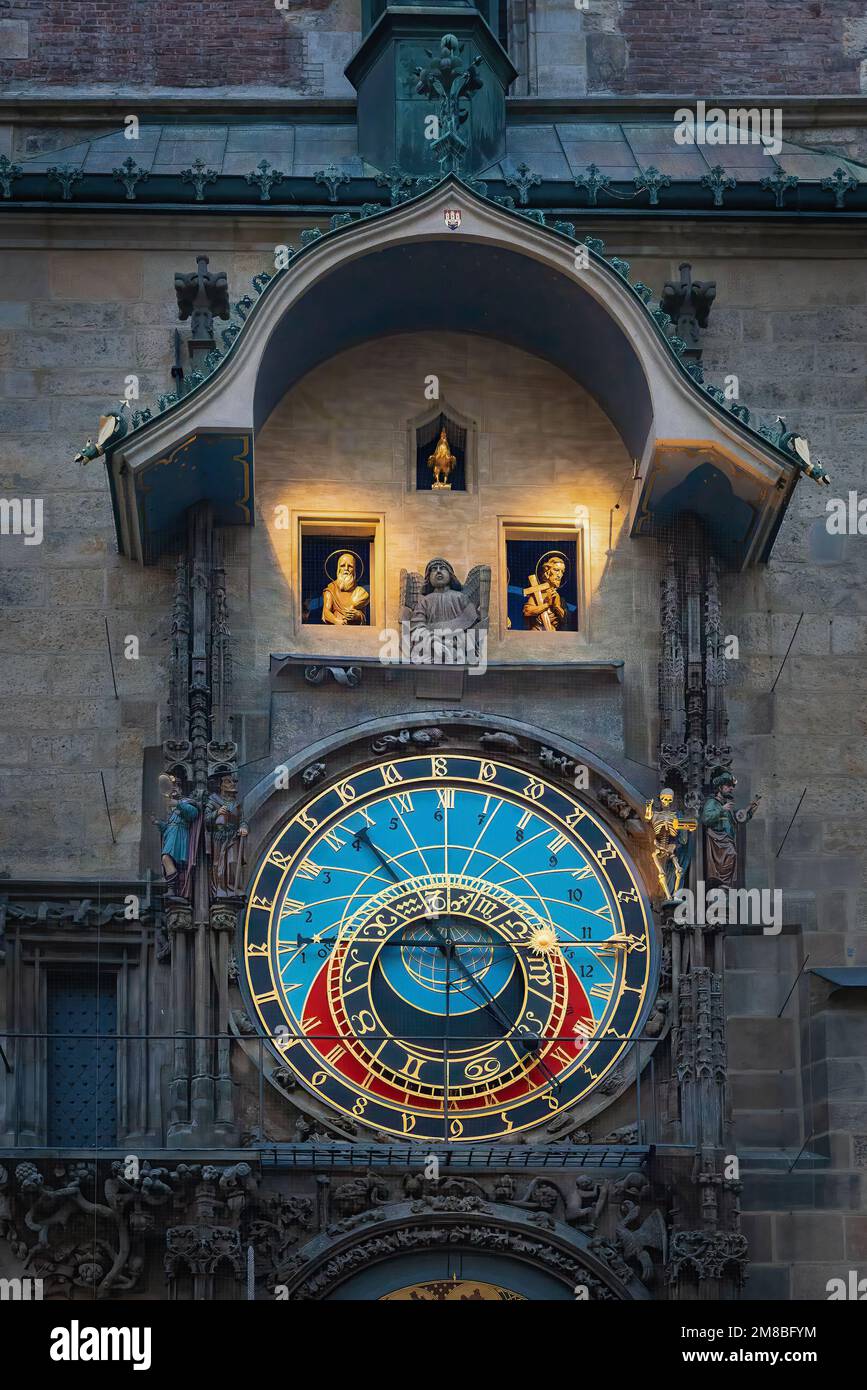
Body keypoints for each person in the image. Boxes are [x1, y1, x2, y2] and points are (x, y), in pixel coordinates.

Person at [702, 769, 760, 888]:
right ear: (720, 787)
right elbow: (706, 819)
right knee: (731, 855)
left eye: (732, 786)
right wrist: (722, 809)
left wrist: (750, 812)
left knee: (732, 857)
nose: (731, 788)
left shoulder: (727, 804)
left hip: (727, 839)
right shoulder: (712, 803)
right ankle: (721, 884)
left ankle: (725, 884)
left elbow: (735, 820)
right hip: (718, 841)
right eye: (728, 786)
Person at [154, 787, 199, 896]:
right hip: (171, 835)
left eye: (177, 786)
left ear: (182, 789)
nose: (173, 788)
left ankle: (173, 889)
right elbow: (168, 827)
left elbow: (193, 813)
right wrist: (157, 822)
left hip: (180, 835)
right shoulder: (172, 810)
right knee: (167, 860)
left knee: (166, 858)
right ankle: (172, 889)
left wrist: (178, 803)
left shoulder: (188, 803)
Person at [322, 552, 369, 625]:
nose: (346, 569)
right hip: (336, 629)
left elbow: (363, 616)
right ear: (338, 568)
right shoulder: (331, 589)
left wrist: (357, 615)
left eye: (350, 566)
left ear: (354, 570)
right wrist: (336, 621)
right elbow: (326, 611)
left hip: (355, 631)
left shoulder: (359, 592)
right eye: (343, 565)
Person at [523, 555, 568, 630]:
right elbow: (527, 611)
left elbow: (566, 621)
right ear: (546, 573)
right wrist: (547, 605)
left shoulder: (560, 599)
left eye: (562, 571)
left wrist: (557, 606)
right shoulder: (537, 593)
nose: (560, 575)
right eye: (556, 570)